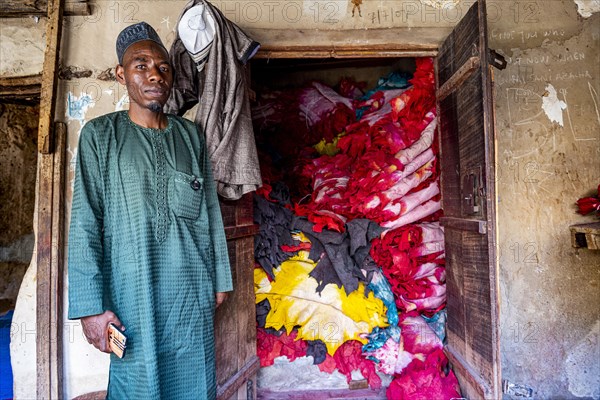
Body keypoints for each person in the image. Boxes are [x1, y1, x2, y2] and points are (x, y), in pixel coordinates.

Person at [67, 21, 232, 400]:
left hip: (190, 292)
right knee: (136, 383)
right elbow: (85, 223)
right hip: (130, 292)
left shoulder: (190, 136)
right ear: (121, 75)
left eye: (163, 67)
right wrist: (91, 309)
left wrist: (220, 280)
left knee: (194, 380)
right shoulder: (100, 136)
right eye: (140, 65)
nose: (154, 74)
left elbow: (208, 207)